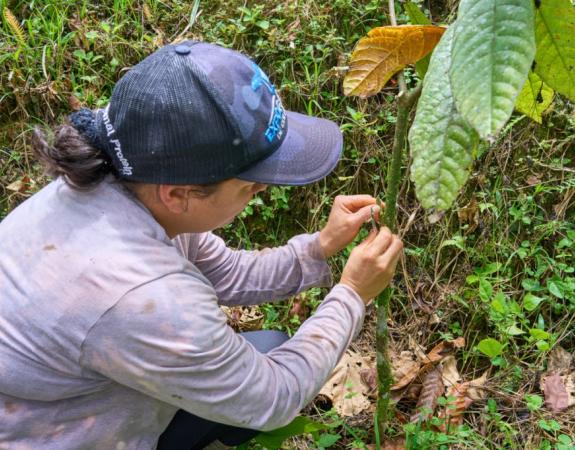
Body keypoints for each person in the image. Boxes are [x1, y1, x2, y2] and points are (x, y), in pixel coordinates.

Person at [0, 41, 403, 449]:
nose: (263, 188)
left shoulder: (127, 177)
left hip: (84, 390)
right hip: (56, 435)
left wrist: (319, 247)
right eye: (250, 184)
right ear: (179, 195)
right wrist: (352, 294)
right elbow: (273, 398)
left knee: (269, 347)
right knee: (263, 372)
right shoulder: (144, 296)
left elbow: (227, 272)